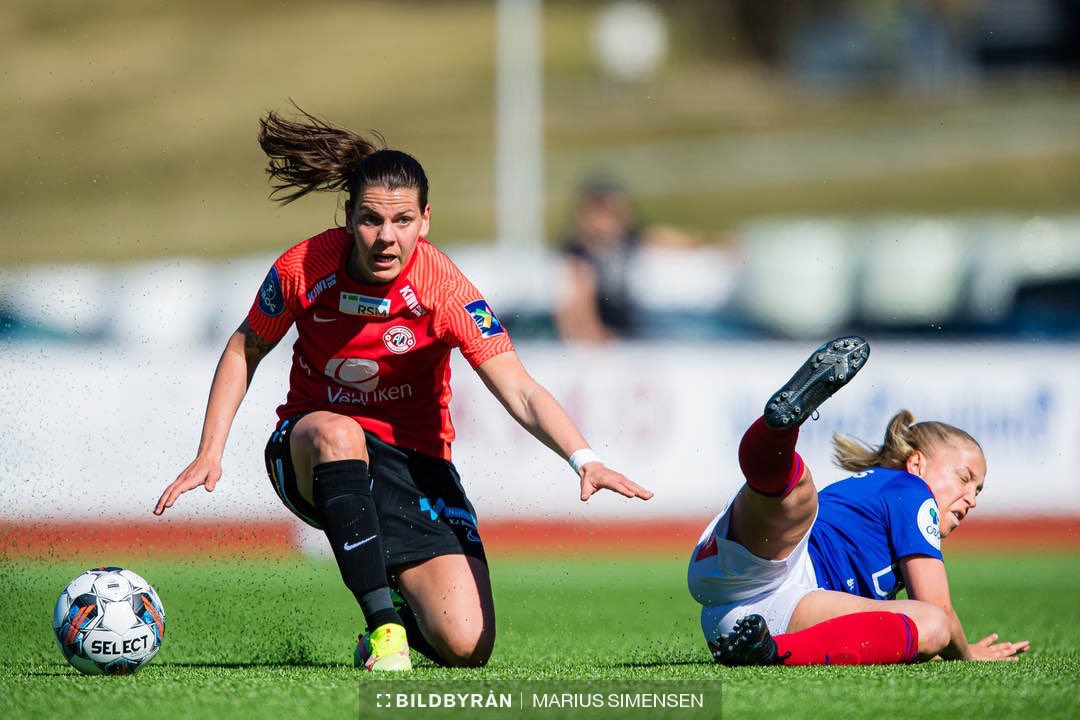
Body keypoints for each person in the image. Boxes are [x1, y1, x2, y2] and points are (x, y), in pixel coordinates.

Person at [153, 106, 653, 672]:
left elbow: (519, 388)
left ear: (425, 221)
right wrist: (209, 452)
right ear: (349, 217)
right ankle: (384, 628)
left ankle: (394, 612)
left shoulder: (445, 287)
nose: (386, 238)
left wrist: (582, 458)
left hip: (413, 461)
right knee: (339, 432)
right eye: (371, 220)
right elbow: (246, 347)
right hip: (310, 450)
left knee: (467, 647)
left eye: (402, 221)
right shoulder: (303, 266)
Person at [688, 336, 1030, 665]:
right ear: (916, 464)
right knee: (800, 496)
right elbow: (935, 602)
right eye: (964, 478)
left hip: (757, 621)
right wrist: (967, 653)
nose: (970, 498)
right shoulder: (911, 489)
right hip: (778, 567)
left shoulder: (885, 502)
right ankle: (780, 430)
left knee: (931, 625)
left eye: (978, 490)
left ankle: (766, 652)